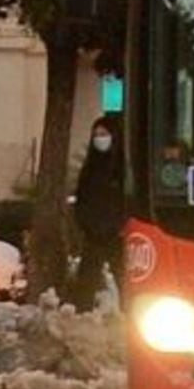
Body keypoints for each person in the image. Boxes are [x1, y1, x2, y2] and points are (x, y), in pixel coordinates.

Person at [71, 114, 125, 311]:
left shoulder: (122, 169)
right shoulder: (91, 167)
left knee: (124, 279)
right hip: (93, 234)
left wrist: (120, 225)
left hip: (117, 234)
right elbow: (82, 198)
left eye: (104, 134)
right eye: (97, 135)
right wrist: (85, 224)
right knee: (87, 278)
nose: (100, 139)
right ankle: (81, 315)